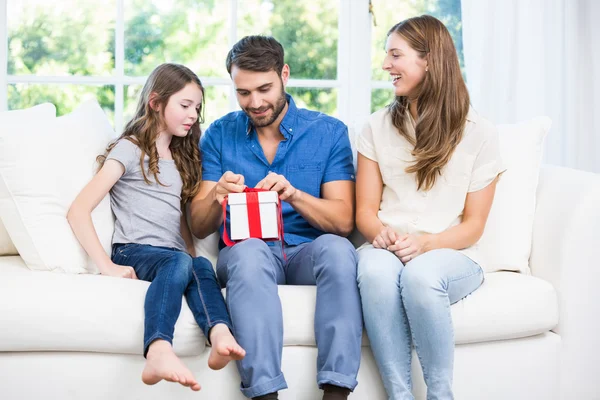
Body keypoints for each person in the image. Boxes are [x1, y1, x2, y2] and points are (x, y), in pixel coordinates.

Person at [190, 36, 362, 400]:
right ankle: (264, 395)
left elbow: (344, 221)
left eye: (264, 89)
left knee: (337, 249)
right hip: (249, 250)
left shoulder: (328, 132)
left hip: (306, 250)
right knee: (250, 252)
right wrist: (216, 196)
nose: (255, 102)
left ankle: (336, 392)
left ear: (284, 74)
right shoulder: (220, 134)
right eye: (243, 93)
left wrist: (295, 195)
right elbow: (198, 225)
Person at [67, 63, 245, 392]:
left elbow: (180, 223)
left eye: (197, 107)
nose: (193, 114)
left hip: (171, 255)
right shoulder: (129, 148)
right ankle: (158, 348)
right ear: (155, 102)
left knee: (199, 264)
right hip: (133, 250)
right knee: (178, 261)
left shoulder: (181, 156)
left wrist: (192, 256)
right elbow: (79, 210)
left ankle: (220, 333)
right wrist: (106, 266)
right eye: (185, 105)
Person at [355, 15, 505, 400]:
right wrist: (381, 234)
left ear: (429, 60)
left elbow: (473, 225)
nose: (386, 65)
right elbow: (365, 213)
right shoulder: (375, 126)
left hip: (451, 252)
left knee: (420, 277)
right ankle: (399, 395)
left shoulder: (480, 133)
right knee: (373, 271)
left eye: (395, 55)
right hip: (387, 246)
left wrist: (425, 244)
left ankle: (441, 395)